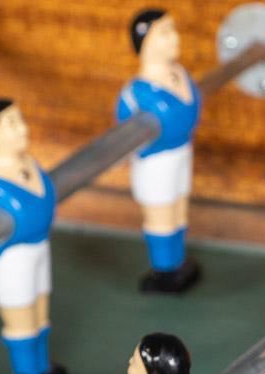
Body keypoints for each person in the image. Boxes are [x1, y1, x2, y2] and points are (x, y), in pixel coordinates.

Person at [0, 98, 66, 374]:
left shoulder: (31, 166)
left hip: (38, 251)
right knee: (21, 319)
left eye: (19, 119)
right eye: (12, 124)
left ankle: (42, 368)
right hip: (12, 263)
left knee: (39, 313)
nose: (23, 129)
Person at [117, 9, 202, 292]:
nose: (175, 38)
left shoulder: (179, 74)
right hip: (156, 164)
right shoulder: (136, 94)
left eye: (172, 29)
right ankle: (164, 270)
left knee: (179, 211)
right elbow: (120, 137)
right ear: (146, 42)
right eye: (164, 32)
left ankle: (177, 262)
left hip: (181, 153)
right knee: (162, 215)